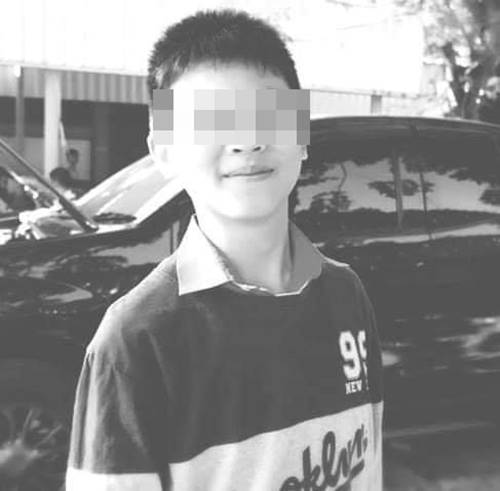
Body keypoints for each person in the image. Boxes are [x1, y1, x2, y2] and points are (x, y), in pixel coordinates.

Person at [66, 9, 383, 491]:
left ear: (301, 132)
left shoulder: (346, 294)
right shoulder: (135, 341)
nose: (247, 141)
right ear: (164, 150)